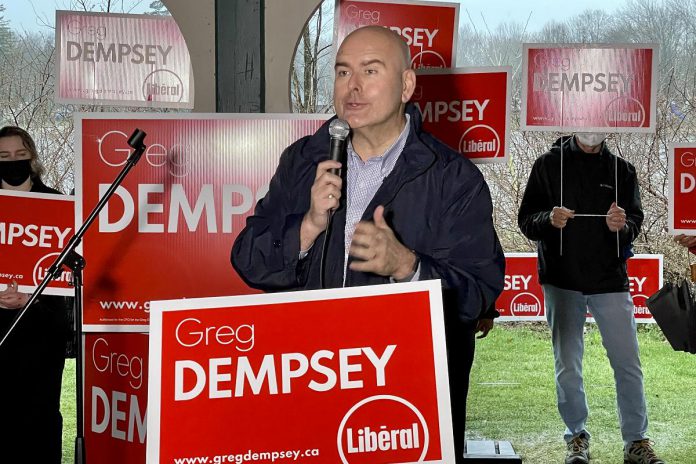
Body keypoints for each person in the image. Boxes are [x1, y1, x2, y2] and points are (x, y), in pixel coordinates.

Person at [232, 26, 505, 462]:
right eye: (342, 72)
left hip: (401, 409)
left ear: (407, 85)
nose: (352, 87)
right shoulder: (304, 160)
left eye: (369, 71)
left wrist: (407, 267)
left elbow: (477, 293)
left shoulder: (454, 179)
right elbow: (248, 259)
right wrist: (307, 226)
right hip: (309, 392)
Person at [518, 133, 664, 464]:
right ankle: (576, 438)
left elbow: (635, 221)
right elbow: (526, 220)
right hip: (561, 279)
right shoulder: (547, 165)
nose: (592, 128)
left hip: (610, 279)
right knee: (568, 364)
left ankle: (636, 442)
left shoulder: (621, 170)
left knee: (628, 363)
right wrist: (548, 219)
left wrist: (622, 226)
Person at [0, 126, 71, 463]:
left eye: (20, 155)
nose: (13, 162)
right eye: (3, 157)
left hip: (42, 332)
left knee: (41, 415)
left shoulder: (57, 204)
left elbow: (69, 277)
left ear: (32, 158)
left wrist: (32, 299)